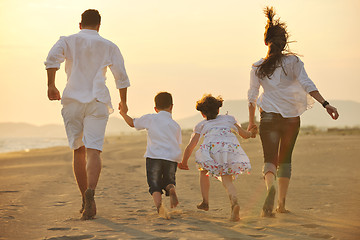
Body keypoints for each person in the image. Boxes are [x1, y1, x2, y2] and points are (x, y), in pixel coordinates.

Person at [247, 6, 339, 217]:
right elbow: (308, 84)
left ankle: (270, 187)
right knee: (285, 159)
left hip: (268, 116)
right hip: (291, 120)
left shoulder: (257, 66)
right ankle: (281, 204)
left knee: (269, 159)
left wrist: (251, 121)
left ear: (265, 41)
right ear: (284, 42)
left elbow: (252, 95)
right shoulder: (294, 62)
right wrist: (326, 104)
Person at [44, 9, 130, 220]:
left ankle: (84, 197)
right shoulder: (109, 46)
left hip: (73, 101)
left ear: (80, 24)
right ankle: (91, 189)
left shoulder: (68, 41)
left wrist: (51, 86)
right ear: (99, 26)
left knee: (78, 150)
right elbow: (121, 77)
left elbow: (51, 60)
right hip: (98, 102)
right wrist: (124, 102)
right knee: (94, 150)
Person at [178, 94, 256, 221]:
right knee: (227, 180)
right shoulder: (229, 119)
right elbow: (245, 135)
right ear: (218, 110)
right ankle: (234, 202)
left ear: (203, 114)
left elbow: (191, 145)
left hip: (212, 149)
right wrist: (252, 133)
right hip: (230, 150)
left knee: (203, 170)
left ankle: (205, 201)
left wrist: (184, 162)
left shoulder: (201, 125)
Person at [120, 92, 182, 219]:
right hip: (171, 158)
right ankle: (170, 187)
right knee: (169, 180)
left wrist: (123, 114)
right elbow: (178, 143)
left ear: (155, 108)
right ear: (171, 107)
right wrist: (179, 160)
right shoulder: (175, 125)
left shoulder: (151, 118)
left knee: (154, 184)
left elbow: (133, 123)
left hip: (154, 157)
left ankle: (160, 209)